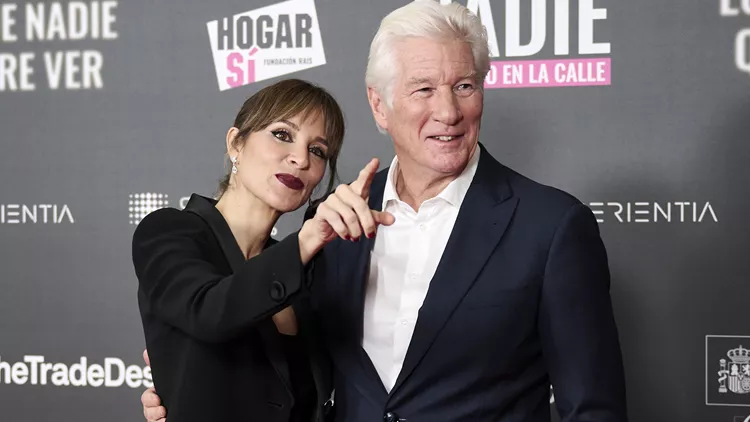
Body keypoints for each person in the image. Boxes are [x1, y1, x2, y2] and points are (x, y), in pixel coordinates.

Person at [142, 2, 628, 421]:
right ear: (379, 106)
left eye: (464, 86)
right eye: (423, 89)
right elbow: (285, 371)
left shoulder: (551, 226)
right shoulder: (332, 222)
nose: (448, 111)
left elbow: (592, 407)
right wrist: (186, 385)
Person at [133, 78, 394, 422]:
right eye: (282, 134)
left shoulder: (305, 271)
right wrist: (306, 240)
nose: (300, 159)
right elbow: (208, 311)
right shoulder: (169, 231)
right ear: (236, 143)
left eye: (318, 151)